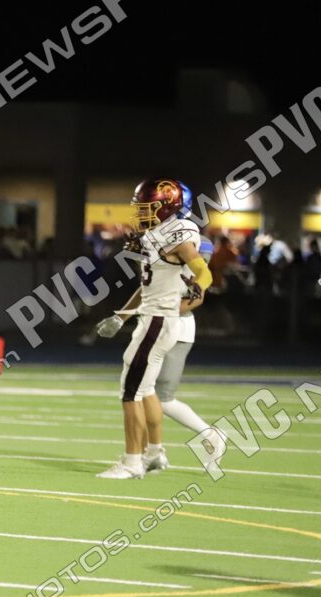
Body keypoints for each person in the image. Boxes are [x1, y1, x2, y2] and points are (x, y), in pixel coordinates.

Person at [93, 178, 212, 480]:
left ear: (167, 207)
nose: (140, 213)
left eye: (147, 208)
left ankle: (132, 462)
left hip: (158, 321)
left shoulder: (178, 236)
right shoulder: (155, 234)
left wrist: (200, 285)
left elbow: (202, 270)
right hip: (153, 319)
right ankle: (154, 452)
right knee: (145, 391)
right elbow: (150, 286)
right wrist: (122, 316)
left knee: (130, 391)